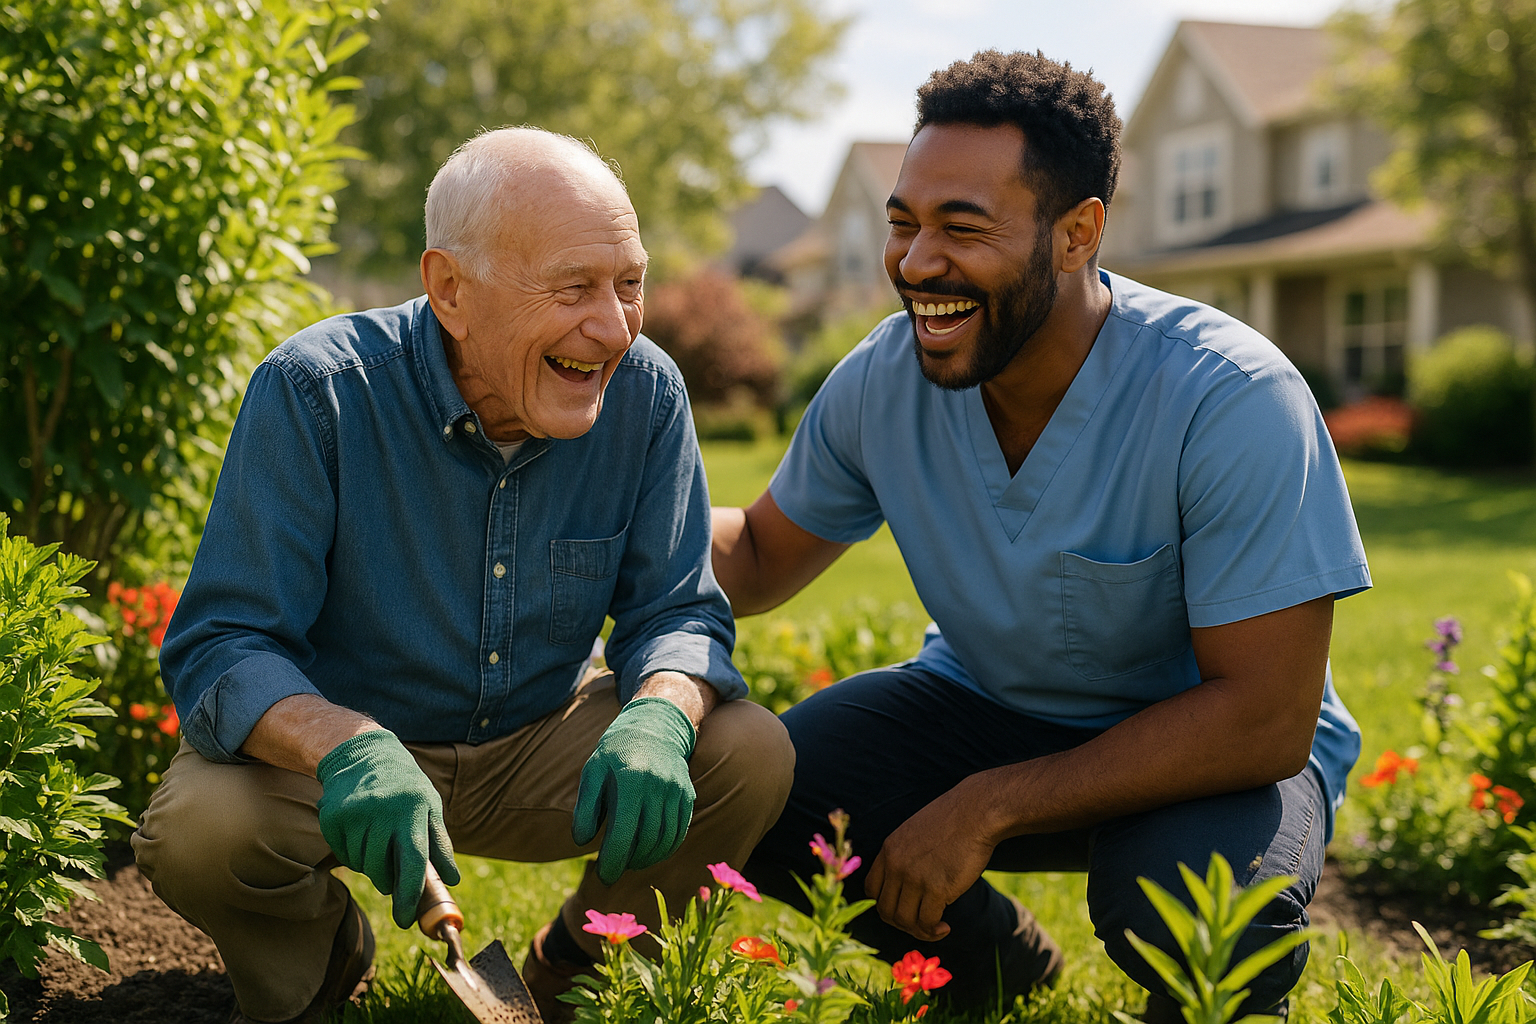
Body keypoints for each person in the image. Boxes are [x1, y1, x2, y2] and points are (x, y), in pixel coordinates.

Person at [714, 51, 1368, 1019]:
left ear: (1078, 234)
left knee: (1192, 906)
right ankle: (993, 966)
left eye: (962, 228)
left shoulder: (1229, 398)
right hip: (983, 706)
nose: (916, 263)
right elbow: (762, 557)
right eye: (904, 224)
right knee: (773, 790)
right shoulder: (883, 382)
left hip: (1215, 744)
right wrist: (625, 529)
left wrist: (990, 806)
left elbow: (1266, 717)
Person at [132, 126, 794, 1024]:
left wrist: (660, 711)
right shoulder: (318, 391)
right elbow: (222, 645)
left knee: (746, 752)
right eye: (573, 288)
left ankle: (582, 968)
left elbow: (677, 610)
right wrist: (346, 745)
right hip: (349, 759)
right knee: (199, 831)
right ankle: (320, 961)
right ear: (450, 287)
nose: (612, 326)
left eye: (628, 283)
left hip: (539, 738)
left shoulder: (646, 394)